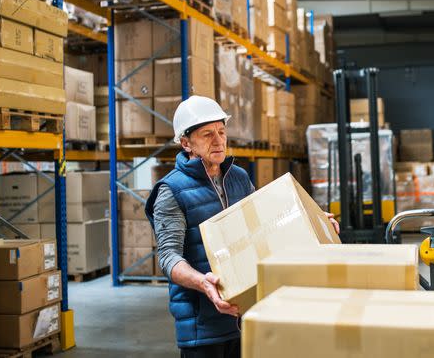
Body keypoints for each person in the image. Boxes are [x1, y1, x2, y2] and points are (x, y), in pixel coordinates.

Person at [145, 96, 339, 358]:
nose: (218, 140)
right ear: (186, 143)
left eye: (222, 132)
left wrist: (312, 221)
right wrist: (203, 283)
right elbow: (168, 258)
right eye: (207, 134)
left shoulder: (238, 177)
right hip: (202, 327)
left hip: (247, 314)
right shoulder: (171, 191)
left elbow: (265, 225)